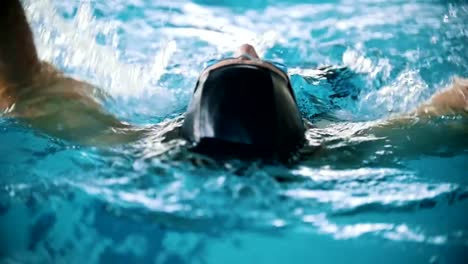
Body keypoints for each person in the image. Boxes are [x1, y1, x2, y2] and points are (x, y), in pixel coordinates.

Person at [1, 0, 467, 160]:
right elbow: (457, 104)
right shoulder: (337, 155)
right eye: (269, 67)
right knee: (340, 81)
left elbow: (24, 86)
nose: (246, 48)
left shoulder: (136, 150)